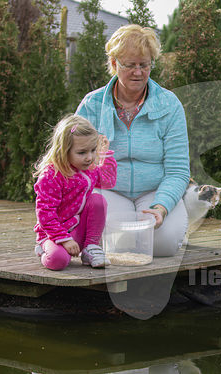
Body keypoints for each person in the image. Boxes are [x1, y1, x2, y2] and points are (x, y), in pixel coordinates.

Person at [76, 24, 190, 257]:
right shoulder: (92, 104)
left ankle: (172, 222)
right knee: (118, 242)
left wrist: (160, 208)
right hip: (109, 192)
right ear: (114, 63)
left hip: (154, 191)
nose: (138, 72)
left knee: (163, 245)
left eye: (144, 65)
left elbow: (178, 171)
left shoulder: (170, 105)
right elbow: (72, 162)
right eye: (130, 65)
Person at [33, 114, 117, 270]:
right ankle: (43, 248)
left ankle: (90, 248)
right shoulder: (51, 176)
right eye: (82, 152)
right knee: (58, 260)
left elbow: (108, 181)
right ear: (64, 150)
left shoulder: (88, 169)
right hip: (53, 233)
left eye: (93, 150)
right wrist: (63, 239)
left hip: (77, 229)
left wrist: (104, 154)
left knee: (98, 200)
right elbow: (45, 213)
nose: (90, 157)